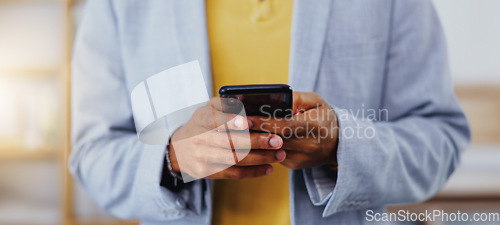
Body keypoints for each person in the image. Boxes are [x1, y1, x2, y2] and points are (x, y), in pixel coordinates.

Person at [70, 0, 470, 224]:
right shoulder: (115, 6)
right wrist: (174, 158)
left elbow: (440, 138)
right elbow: (93, 154)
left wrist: (343, 144)